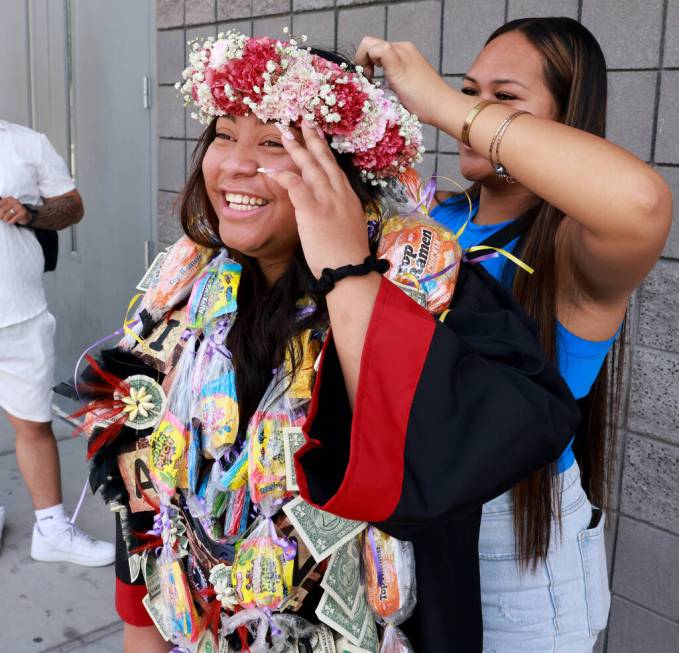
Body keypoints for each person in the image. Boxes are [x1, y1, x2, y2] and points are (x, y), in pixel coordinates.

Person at [73, 33, 579, 652]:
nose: (233, 163)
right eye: (224, 135)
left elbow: (482, 438)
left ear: (342, 169)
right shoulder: (182, 291)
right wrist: (141, 633)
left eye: (273, 142)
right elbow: (145, 506)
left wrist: (346, 272)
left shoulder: (427, 286)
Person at [346, 16, 672, 651]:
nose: (472, 110)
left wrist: (441, 104)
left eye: (504, 97)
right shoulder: (429, 217)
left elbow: (643, 202)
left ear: (563, 119)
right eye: (469, 91)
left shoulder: (574, 250)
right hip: (402, 522)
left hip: (510, 544)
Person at [0, 119, 115, 566]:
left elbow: (71, 207)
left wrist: (28, 213)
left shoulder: (26, 144)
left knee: (32, 423)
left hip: (20, 315)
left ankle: (51, 530)